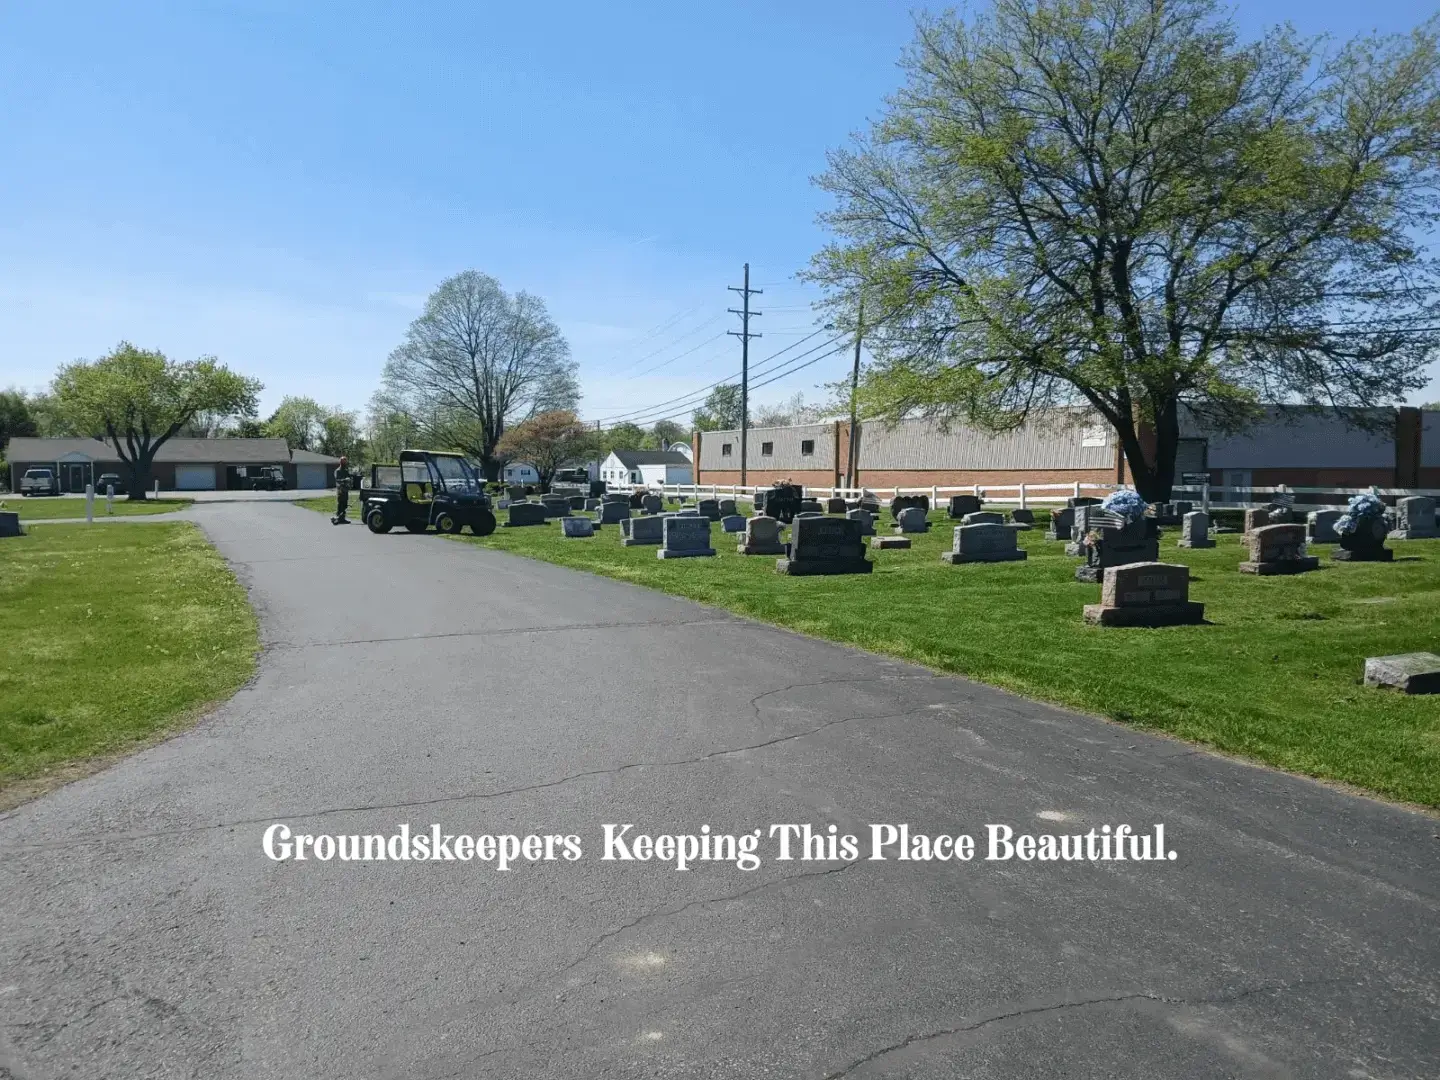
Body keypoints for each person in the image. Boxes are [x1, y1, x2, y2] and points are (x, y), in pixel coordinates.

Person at [332, 455, 353, 525]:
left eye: (345, 461)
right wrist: (345, 480)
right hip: (340, 490)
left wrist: (350, 482)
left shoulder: (346, 471)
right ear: (340, 462)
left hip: (345, 490)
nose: (345, 463)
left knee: (345, 505)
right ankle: (337, 518)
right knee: (340, 504)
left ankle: (343, 518)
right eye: (343, 461)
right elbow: (337, 480)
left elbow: (349, 479)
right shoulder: (337, 471)